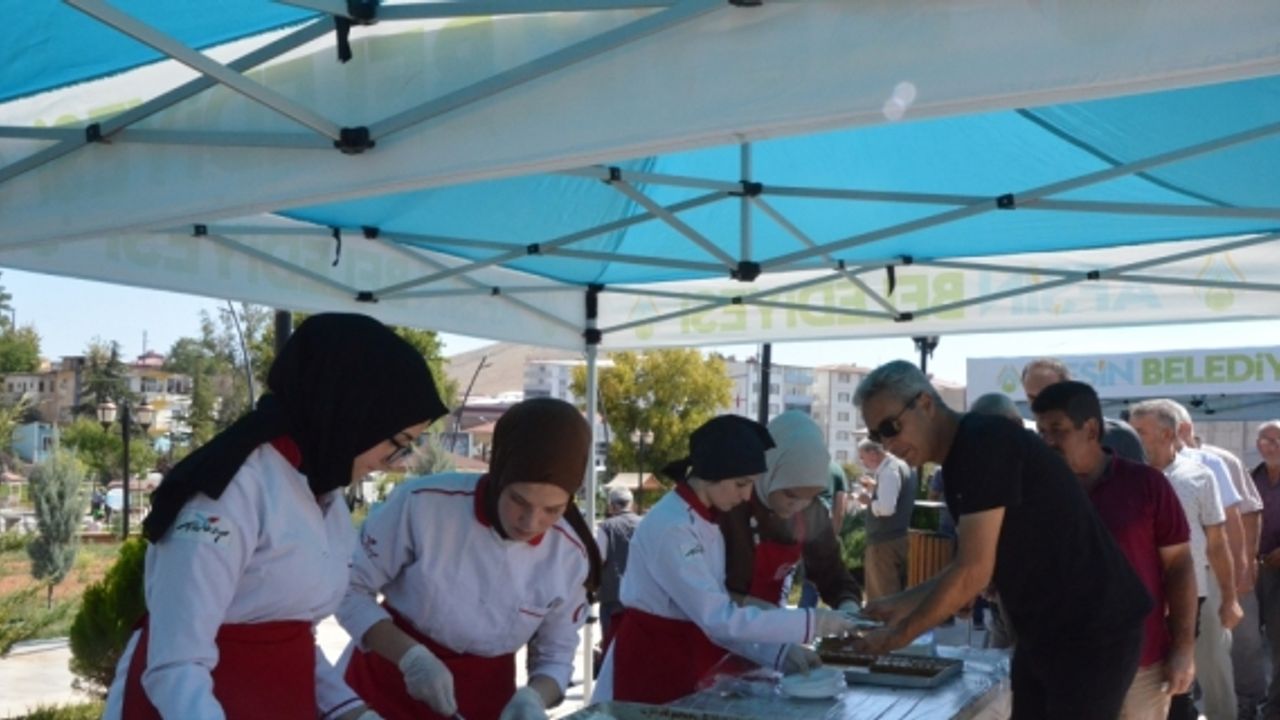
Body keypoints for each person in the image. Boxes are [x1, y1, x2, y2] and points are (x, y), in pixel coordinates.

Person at [104, 313, 449, 720]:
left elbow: (290, 637)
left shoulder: (324, 492)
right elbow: (175, 667)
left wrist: (350, 710)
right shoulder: (228, 491)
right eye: (397, 444)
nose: (392, 461)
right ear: (352, 414)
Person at [853, 360, 1151, 720]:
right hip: (1046, 631)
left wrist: (897, 637)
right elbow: (974, 567)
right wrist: (896, 604)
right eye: (876, 435)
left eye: (890, 427)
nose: (887, 444)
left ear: (926, 404)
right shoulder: (962, 458)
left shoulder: (984, 442)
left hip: (1091, 631)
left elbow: (972, 573)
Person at [337, 397, 601, 720]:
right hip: (385, 684)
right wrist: (411, 658)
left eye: (553, 510)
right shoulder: (422, 505)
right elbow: (348, 589)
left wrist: (534, 698)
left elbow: (556, 654)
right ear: (499, 473)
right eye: (519, 500)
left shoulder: (570, 557)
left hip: (487, 700)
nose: (530, 522)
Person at [593, 415, 859, 705]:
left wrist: (779, 653)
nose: (747, 496)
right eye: (741, 484)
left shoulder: (706, 518)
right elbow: (719, 618)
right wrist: (812, 622)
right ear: (712, 473)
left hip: (692, 653)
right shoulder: (672, 527)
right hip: (651, 661)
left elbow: (720, 614)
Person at [1033, 382, 1196, 720]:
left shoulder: (1146, 485)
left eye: (1057, 430)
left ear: (1091, 429)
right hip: (1068, 665)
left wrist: (1183, 648)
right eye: (1042, 431)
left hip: (1143, 664)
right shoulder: (1040, 491)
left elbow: (1179, 565)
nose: (1047, 441)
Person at [1128, 400, 1242, 720]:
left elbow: (1217, 544)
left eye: (1140, 432)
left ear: (1167, 434)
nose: (1133, 439)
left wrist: (1230, 598)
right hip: (1139, 595)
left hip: (1188, 594)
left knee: (1178, 675)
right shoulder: (1124, 479)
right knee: (1140, 676)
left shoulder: (1199, 476)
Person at [719, 411, 861, 612]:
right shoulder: (730, 505)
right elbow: (701, 588)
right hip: (716, 625)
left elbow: (830, 571)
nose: (798, 506)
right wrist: (748, 607)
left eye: (810, 496)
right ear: (770, 471)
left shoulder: (812, 512)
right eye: (790, 495)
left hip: (769, 628)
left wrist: (849, 605)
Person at [1021, 357, 1146, 462]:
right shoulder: (1029, 444)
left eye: (1047, 394)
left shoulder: (1119, 437)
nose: (1038, 404)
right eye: (1031, 397)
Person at [854, 440, 915, 601]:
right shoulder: (901, 466)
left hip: (884, 543)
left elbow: (887, 509)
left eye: (862, 457)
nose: (862, 462)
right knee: (895, 593)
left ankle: (884, 626)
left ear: (873, 454)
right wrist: (875, 489)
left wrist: (868, 501)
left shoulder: (889, 471)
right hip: (898, 538)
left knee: (882, 597)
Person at [1251, 420, 1280, 720]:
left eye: (1276, 440)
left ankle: (1274, 710)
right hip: (1252, 570)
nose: (1269, 445)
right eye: (1264, 439)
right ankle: (1250, 703)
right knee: (1243, 642)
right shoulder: (1251, 477)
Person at [596, 486, 640, 645]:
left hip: (613, 595)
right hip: (641, 598)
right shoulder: (646, 524)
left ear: (612, 506)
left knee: (611, 647)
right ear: (631, 504)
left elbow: (599, 558)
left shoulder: (606, 527)